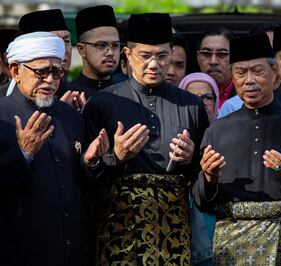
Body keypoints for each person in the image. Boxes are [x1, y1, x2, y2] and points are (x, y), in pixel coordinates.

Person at [192, 33, 281, 265]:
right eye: (240, 73)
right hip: (233, 244)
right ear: (233, 76)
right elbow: (202, 202)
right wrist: (209, 178)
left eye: (257, 71)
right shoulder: (217, 131)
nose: (249, 80)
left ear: (273, 73)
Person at [82, 13, 209, 265]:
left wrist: (191, 158)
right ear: (128, 56)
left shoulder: (191, 105)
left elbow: (204, 177)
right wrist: (115, 157)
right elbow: (85, 177)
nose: (154, 64)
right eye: (146, 56)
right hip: (118, 230)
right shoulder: (103, 103)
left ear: (171, 54)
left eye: (162, 56)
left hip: (172, 232)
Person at [0, 31, 108, 266]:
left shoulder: (70, 116)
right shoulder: (2, 116)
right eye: (41, 72)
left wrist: (91, 163)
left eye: (57, 71)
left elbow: (82, 187)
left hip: (72, 252)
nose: (50, 80)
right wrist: (23, 154)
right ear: (16, 71)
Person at [178, 72, 219, 265]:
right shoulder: (172, 137)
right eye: (192, 97)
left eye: (207, 97)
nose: (200, 102)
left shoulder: (227, 135)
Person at [16, 9, 85, 108]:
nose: (63, 50)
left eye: (66, 41)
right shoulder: (3, 99)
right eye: (54, 43)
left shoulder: (79, 96)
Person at [70, 5, 120, 98]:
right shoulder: (69, 97)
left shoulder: (129, 96)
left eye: (115, 45)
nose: (110, 53)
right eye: (101, 45)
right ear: (82, 49)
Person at [197, 27, 235, 108]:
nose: (213, 61)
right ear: (198, 57)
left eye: (222, 54)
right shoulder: (186, 95)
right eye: (206, 53)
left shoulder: (246, 96)